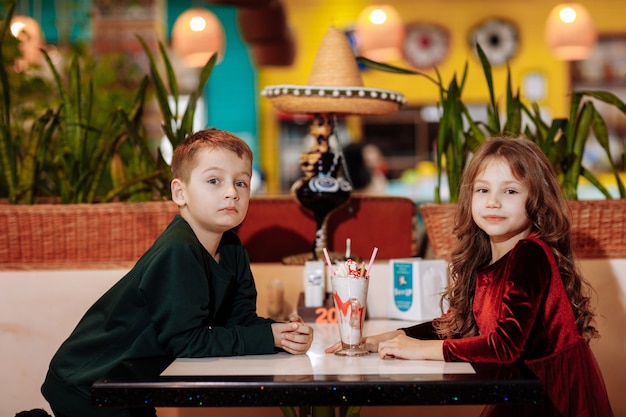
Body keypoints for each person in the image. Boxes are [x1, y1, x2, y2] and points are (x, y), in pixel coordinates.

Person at [327, 136, 613, 417]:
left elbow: (504, 346)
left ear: (536, 200)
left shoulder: (529, 254)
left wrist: (420, 350)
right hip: (525, 384)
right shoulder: (490, 255)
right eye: (483, 190)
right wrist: (391, 336)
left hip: (552, 394)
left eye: (510, 191)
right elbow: (457, 324)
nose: (493, 202)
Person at [42, 128, 314, 417]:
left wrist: (283, 333)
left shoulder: (232, 248)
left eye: (241, 183)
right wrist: (267, 338)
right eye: (214, 180)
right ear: (179, 192)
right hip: (89, 384)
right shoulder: (178, 249)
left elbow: (240, 321)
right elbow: (187, 342)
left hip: (133, 383)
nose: (231, 192)